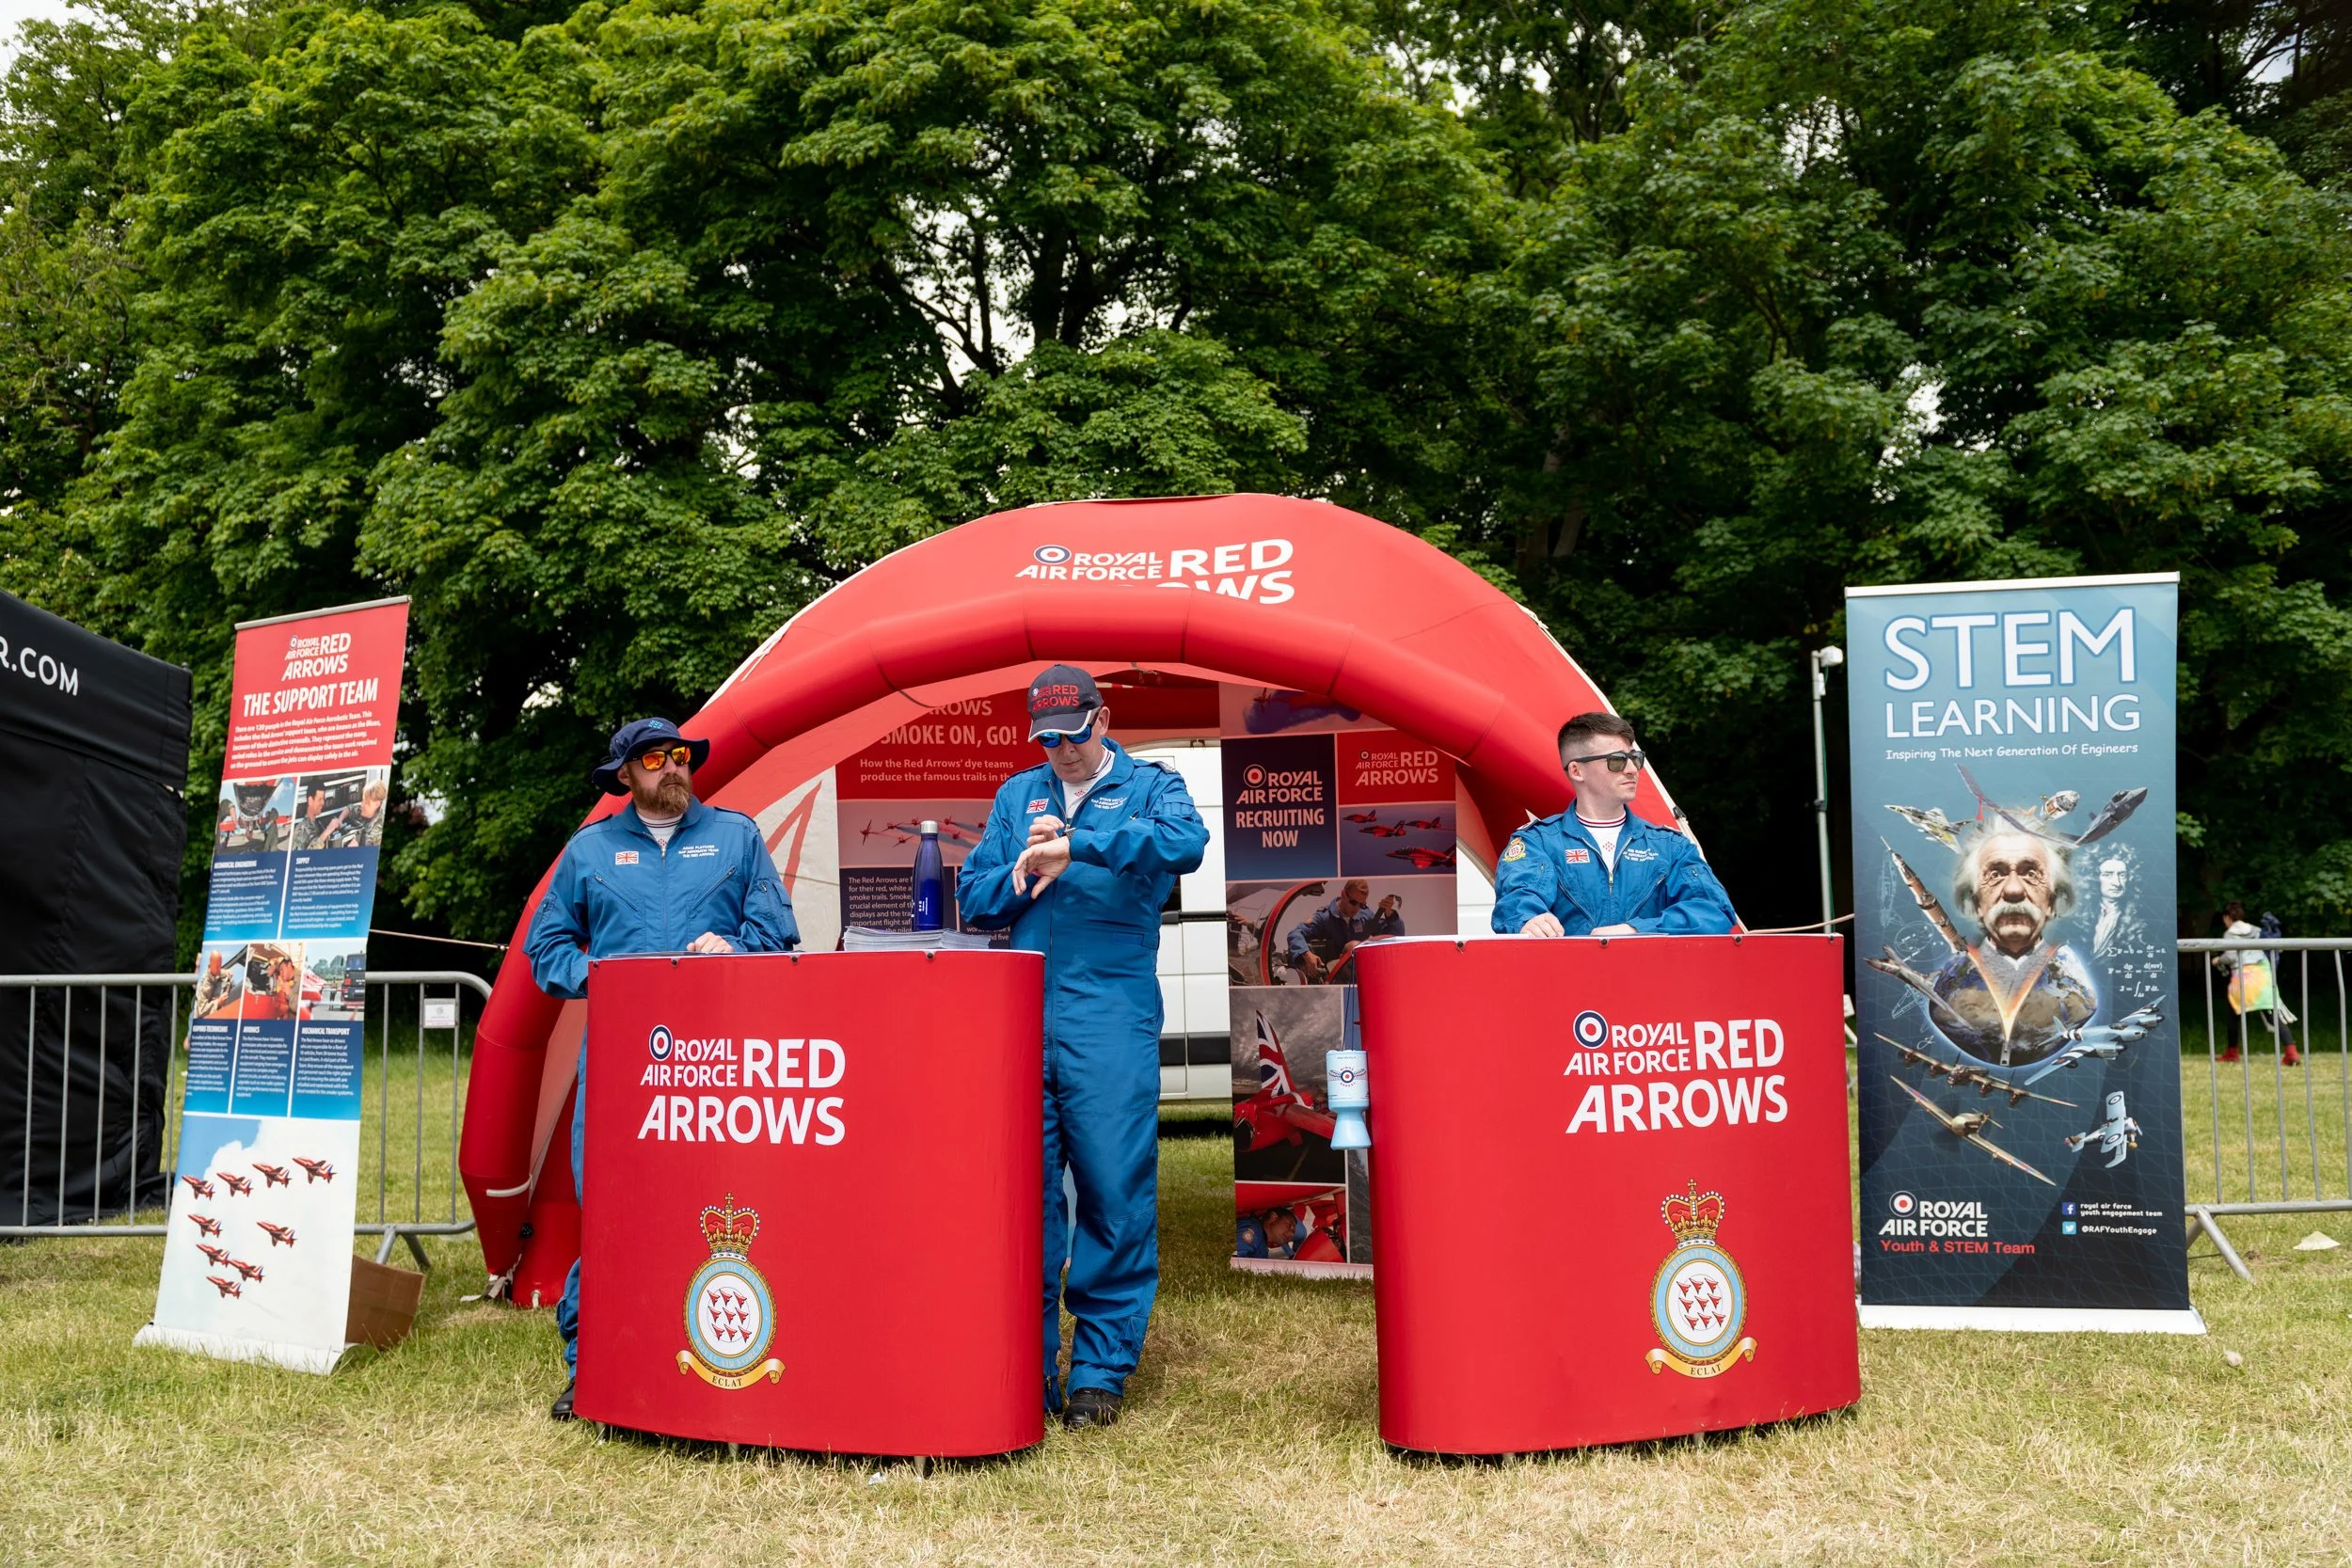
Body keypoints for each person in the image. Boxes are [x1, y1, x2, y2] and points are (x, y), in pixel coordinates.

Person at [524, 717, 800, 1420]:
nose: (673, 768)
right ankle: (592, 1367)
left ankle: (720, 1356)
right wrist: (601, 976)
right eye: (655, 759)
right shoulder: (589, 851)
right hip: (621, 1065)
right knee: (614, 1212)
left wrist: (736, 948)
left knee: (713, 1207)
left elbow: (779, 934)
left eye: (681, 756)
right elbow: (545, 947)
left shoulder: (736, 836)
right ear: (625, 775)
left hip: (721, 1066)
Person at [959, 665, 1209, 1430]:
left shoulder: (1152, 785)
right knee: (1023, 1196)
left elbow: (1186, 845)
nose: (1061, 751)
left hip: (1110, 1014)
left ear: (1102, 719)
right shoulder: (1015, 796)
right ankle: (1026, 1363)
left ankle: (1099, 1368)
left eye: (1073, 735)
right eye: (1047, 739)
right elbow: (973, 896)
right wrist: (1022, 869)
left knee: (1112, 1191)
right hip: (1023, 1015)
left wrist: (1083, 844)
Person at [1490, 712, 1737, 938]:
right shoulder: (1538, 842)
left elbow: (1714, 911)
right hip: (1570, 981)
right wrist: (1530, 920)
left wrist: (1637, 929)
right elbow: (1518, 901)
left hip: (1650, 983)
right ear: (1577, 770)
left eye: (1635, 758)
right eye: (1616, 760)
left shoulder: (1671, 846)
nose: (1631, 769)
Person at [2215, 901, 2299, 1065]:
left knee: (2234, 1013)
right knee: (2273, 1014)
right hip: (2263, 974)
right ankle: (2292, 1053)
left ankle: (2232, 1052)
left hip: (2243, 976)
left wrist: (2219, 960)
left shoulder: (2230, 933)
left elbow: (2231, 957)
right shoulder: (2256, 930)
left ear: (2227, 917)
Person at [1285, 879, 1405, 981]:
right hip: (1330, 981)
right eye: (1353, 902)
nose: (1357, 908)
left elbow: (1394, 937)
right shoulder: (1324, 918)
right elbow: (1295, 934)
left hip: (1358, 980)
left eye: (1361, 904)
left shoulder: (1365, 916)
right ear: (1343, 894)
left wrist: (1390, 915)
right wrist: (1306, 954)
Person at [1234, 1207, 1298, 1259]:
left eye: (1293, 1231)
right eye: (1289, 1225)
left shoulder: (1261, 1239)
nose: (1292, 1234)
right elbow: (1233, 1260)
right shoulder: (1253, 1229)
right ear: (1273, 1218)